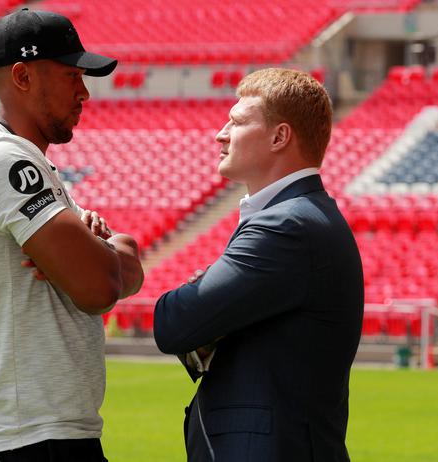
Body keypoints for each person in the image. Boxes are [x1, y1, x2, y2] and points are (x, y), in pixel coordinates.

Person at [0, 8, 144, 462]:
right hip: (27, 437)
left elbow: (124, 264)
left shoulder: (27, 161)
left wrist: (102, 252)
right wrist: (101, 256)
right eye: (72, 75)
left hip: (39, 434)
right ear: (22, 76)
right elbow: (100, 287)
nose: (85, 92)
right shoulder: (2, 159)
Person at [154, 68, 364, 462]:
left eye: (236, 122)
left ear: (279, 137)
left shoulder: (285, 225)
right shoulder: (301, 217)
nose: (220, 134)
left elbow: (173, 324)